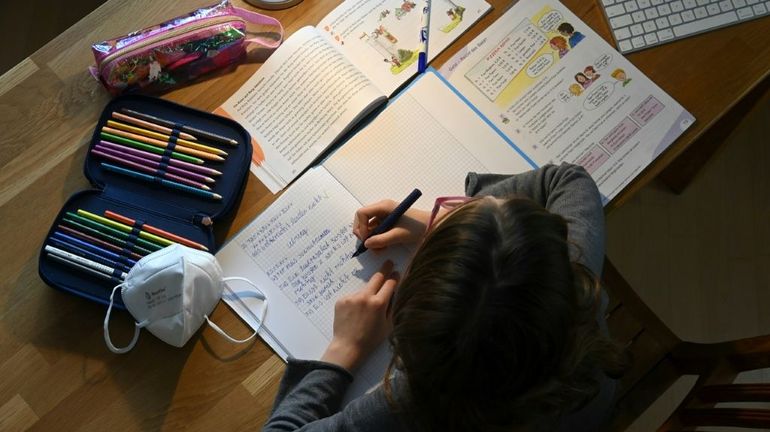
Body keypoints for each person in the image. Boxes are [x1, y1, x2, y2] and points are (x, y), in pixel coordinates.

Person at [263, 164, 627, 431]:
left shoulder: (411, 404)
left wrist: (342, 352)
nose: (453, 210)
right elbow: (568, 179)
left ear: (408, 316)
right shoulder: (572, 292)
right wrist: (452, 229)